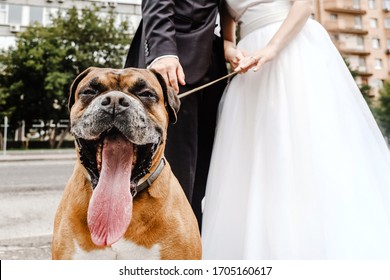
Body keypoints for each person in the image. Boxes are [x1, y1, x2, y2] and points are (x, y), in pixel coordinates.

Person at [202, 0, 390, 259]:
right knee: (258, 160)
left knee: (306, 148)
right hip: (251, 65)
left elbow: (303, 6)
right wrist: (231, 51)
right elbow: (227, 36)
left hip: (293, 49)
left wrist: (271, 49)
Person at [124, 0, 228, 228]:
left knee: (202, 174)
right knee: (173, 170)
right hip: (175, 59)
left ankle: (191, 243)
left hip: (213, 60)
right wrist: (162, 53)